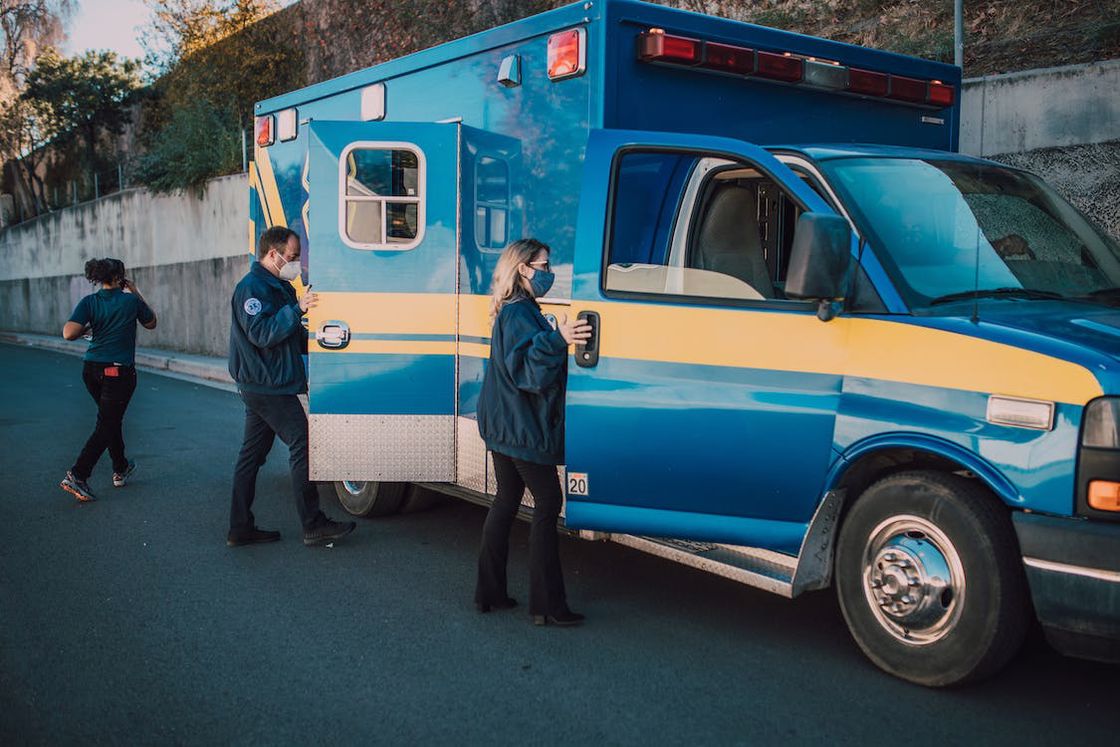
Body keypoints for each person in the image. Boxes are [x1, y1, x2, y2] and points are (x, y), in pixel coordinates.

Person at [474, 238, 592, 626]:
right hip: (520, 426)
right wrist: (561, 339)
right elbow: (527, 370)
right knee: (547, 502)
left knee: (507, 499)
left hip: (501, 423)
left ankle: (489, 591)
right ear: (524, 269)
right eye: (543, 264)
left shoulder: (512, 308)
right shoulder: (521, 312)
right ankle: (548, 605)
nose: (548, 271)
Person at [227, 226, 356, 547]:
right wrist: (297, 309)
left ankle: (240, 527)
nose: (296, 262)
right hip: (266, 385)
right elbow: (263, 334)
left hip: (268, 383)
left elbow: (292, 335)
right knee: (304, 445)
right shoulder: (252, 289)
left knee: (251, 456)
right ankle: (313, 525)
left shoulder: (278, 285)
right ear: (273, 254)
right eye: (293, 256)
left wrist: (325, 343)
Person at [59, 258, 157, 502]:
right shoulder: (130, 301)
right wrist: (134, 291)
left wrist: (88, 327)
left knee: (109, 419)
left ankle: (120, 467)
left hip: (91, 369)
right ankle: (78, 474)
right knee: (108, 422)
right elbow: (151, 322)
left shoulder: (89, 301)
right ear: (119, 278)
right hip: (118, 371)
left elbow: (68, 333)